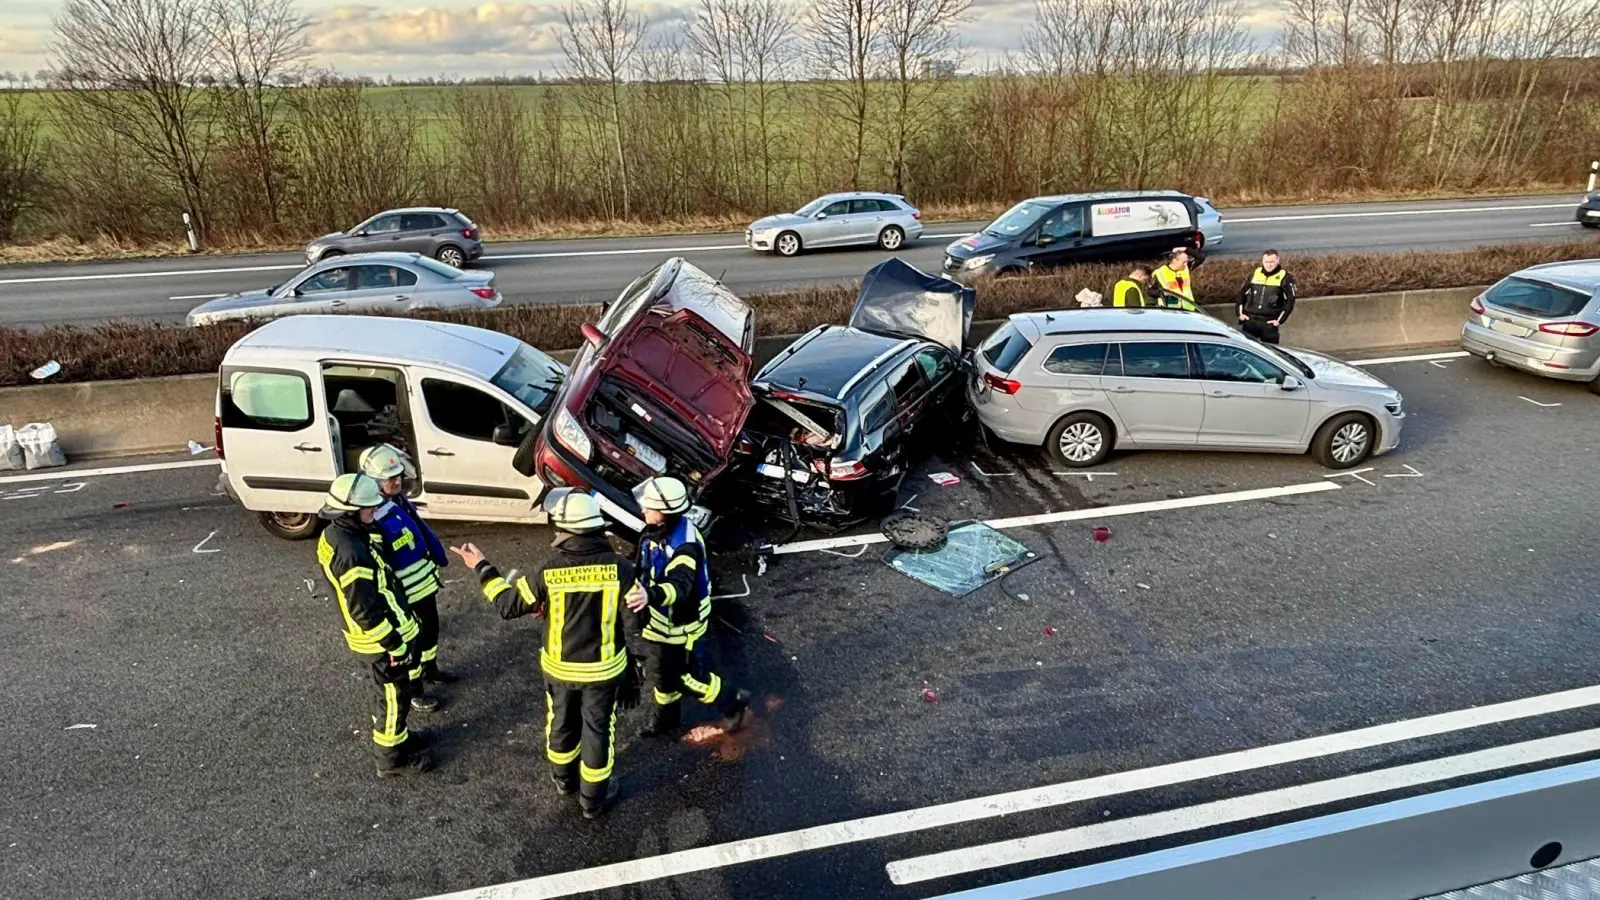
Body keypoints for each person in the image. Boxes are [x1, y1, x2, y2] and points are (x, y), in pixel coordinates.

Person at [449, 490, 642, 819]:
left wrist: (481, 566)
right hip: (604, 671)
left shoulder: (548, 571)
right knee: (598, 731)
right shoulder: (621, 567)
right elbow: (635, 621)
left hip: (560, 670)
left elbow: (508, 605)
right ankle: (592, 801)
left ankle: (564, 781)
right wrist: (635, 670)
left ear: (567, 530)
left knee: (562, 724)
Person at [315, 473, 431, 778]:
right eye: (368, 509)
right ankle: (391, 759)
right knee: (393, 696)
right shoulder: (352, 554)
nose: (374, 512)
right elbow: (365, 611)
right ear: (349, 511)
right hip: (380, 641)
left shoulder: (335, 534)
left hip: (373, 638)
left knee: (393, 694)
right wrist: (394, 644)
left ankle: (400, 739)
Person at [631, 476, 752, 738]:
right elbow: (643, 566)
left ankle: (733, 702)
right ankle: (666, 719)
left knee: (685, 677)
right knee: (662, 675)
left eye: (648, 506)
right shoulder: (656, 531)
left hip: (680, 626)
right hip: (660, 621)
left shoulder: (683, 546)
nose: (643, 510)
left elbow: (680, 586)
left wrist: (648, 596)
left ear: (664, 512)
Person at [360, 444, 451, 712]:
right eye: (390, 478)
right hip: (405, 595)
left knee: (431, 630)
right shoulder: (373, 517)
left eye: (398, 475)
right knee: (413, 641)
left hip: (423, 586)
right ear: (374, 481)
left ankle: (429, 669)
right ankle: (414, 690)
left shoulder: (398, 501)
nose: (397, 480)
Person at [1237, 249, 1298, 345]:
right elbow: (1241, 294)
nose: (1269, 265)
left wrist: (1279, 321)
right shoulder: (1255, 274)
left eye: (1272, 262)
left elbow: (1290, 301)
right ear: (1262, 261)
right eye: (1266, 262)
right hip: (1250, 320)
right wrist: (1240, 314)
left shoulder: (1285, 277)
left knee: (1271, 351)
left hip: (1269, 323)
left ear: (1278, 260)